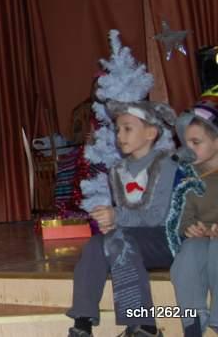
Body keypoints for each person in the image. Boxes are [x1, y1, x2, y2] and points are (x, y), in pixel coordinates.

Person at [67, 100, 181, 337]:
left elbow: (157, 217)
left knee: (121, 242)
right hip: (132, 239)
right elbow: (126, 216)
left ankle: (144, 326)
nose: (120, 135)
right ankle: (83, 321)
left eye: (128, 128)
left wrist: (116, 216)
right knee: (96, 244)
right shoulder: (117, 170)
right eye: (118, 129)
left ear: (150, 133)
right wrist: (110, 222)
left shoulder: (166, 165)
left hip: (166, 239)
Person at [170, 101, 218, 337]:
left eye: (196, 143)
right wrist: (189, 228)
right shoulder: (190, 178)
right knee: (188, 253)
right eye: (185, 143)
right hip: (204, 239)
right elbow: (181, 215)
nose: (189, 149)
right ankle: (193, 322)